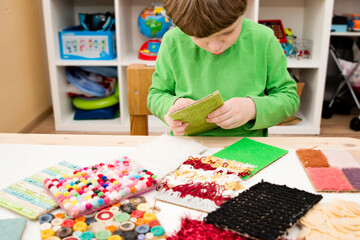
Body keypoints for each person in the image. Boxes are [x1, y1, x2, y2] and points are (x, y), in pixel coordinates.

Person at [147, 0, 300, 136]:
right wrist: (172, 106)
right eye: (200, 38)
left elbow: (289, 98)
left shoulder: (263, 38)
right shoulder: (173, 41)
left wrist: (252, 108)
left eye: (227, 32)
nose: (214, 47)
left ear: (243, 11)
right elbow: (156, 95)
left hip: (248, 147)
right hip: (188, 148)